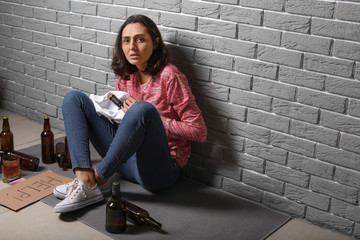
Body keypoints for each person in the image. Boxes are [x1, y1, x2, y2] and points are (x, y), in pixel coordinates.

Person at [53, 14, 207, 213]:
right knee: (74, 99)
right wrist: (109, 112)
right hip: (125, 163)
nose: (132, 47)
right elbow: (125, 132)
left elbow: (199, 131)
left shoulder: (170, 76)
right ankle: (85, 180)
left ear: (156, 42)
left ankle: (97, 180)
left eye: (140, 39)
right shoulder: (127, 77)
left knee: (142, 109)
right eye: (126, 41)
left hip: (159, 170)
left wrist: (156, 119)